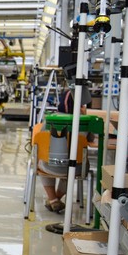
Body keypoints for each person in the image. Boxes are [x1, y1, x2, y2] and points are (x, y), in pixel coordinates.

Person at [40, 84, 92, 213]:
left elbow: (41, 141)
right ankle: (56, 198)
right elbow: (91, 140)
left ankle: (52, 200)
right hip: (76, 168)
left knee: (43, 159)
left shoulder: (50, 120)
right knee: (71, 163)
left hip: (49, 167)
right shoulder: (85, 122)